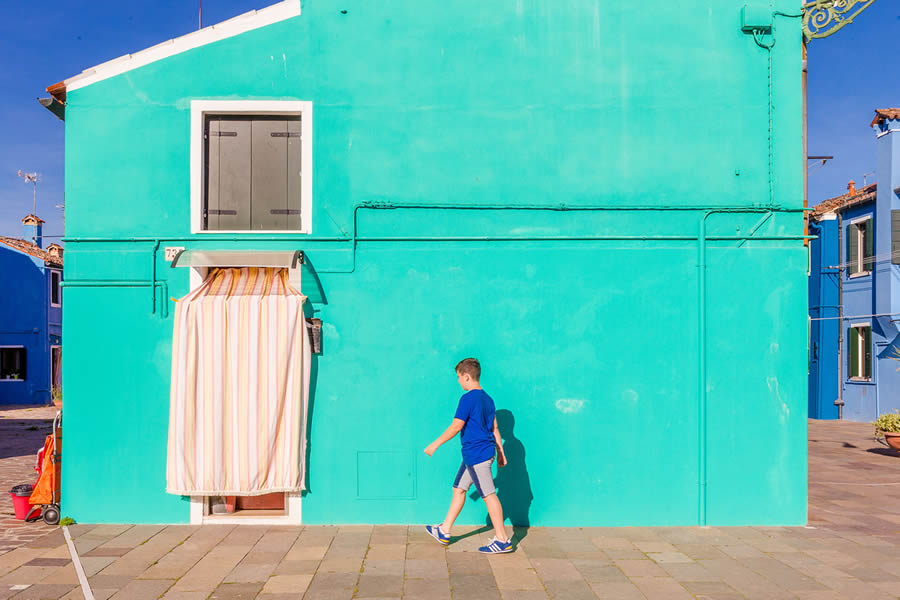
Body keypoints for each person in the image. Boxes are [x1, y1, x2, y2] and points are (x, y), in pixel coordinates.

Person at [423, 358, 512, 553]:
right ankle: (444, 530)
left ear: (466, 376)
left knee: (489, 496)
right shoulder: (488, 399)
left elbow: (457, 426)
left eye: (458, 378)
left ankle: (503, 540)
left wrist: (435, 444)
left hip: (476, 454)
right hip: (479, 453)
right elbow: (495, 428)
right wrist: (500, 453)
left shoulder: (468, 399)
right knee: (459, 489)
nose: (458, 382)